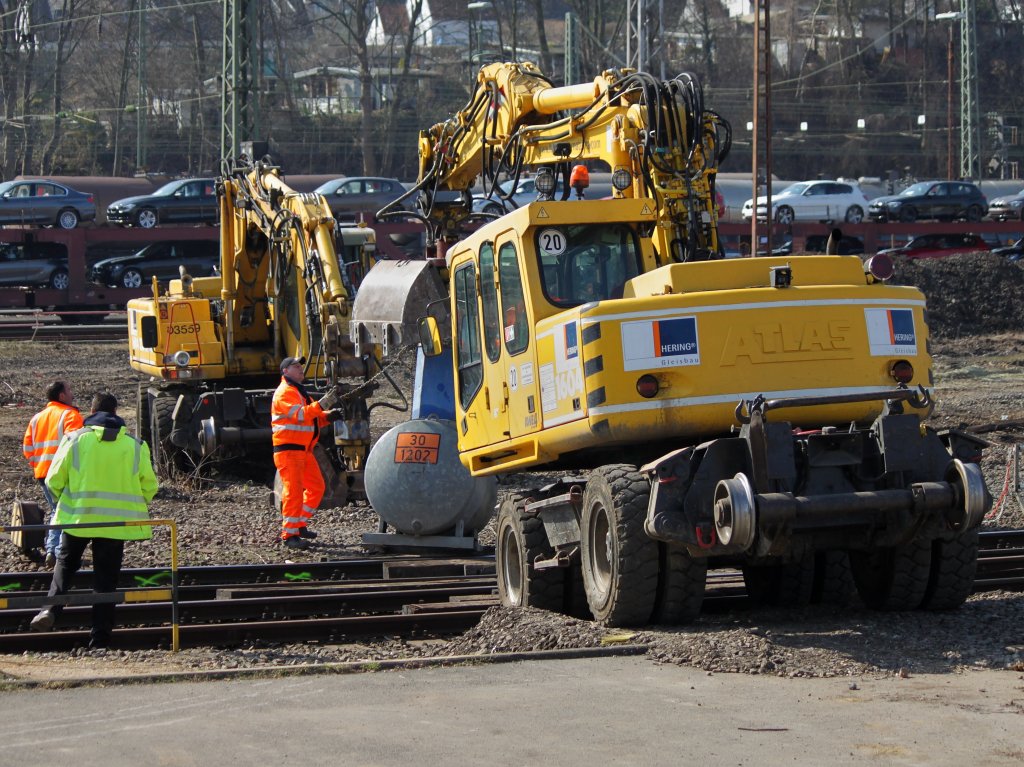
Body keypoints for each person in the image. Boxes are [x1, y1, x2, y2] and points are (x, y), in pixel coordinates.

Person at [29, 393, 158, 648]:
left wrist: (69, 502)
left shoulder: (75, 440)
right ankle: (100, 638)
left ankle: (50, 610)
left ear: (92, 410)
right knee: (106, 581)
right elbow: (149, 487)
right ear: (116, 411)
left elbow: (53, 480)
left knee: (65, 566)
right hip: (116, 525)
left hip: (77, 518)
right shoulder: (135, 445)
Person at [272, 357, 344, 551]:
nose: (300, 369)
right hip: (289, 451)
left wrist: (330, 416)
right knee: (293, 492)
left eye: (300, 367)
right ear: (285, 371)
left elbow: (314, 420)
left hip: (303, 451)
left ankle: (298, 524)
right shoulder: (285, 393)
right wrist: (323, 404)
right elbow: (302, 414)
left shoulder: (300, 393)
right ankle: (289, 535)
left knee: (317, 487)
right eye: (296, 367)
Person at [22, 381, 84, 567]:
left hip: (42, 473)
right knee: (63, 511)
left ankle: (53, 550)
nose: (72, 393)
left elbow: (27, 449)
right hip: (63, 473)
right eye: (69, 390)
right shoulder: (70, 415)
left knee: (57, 510)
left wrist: (39, 466)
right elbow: (77, 444)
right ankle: (56, 551)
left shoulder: (36, 418)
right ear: (62, 396)